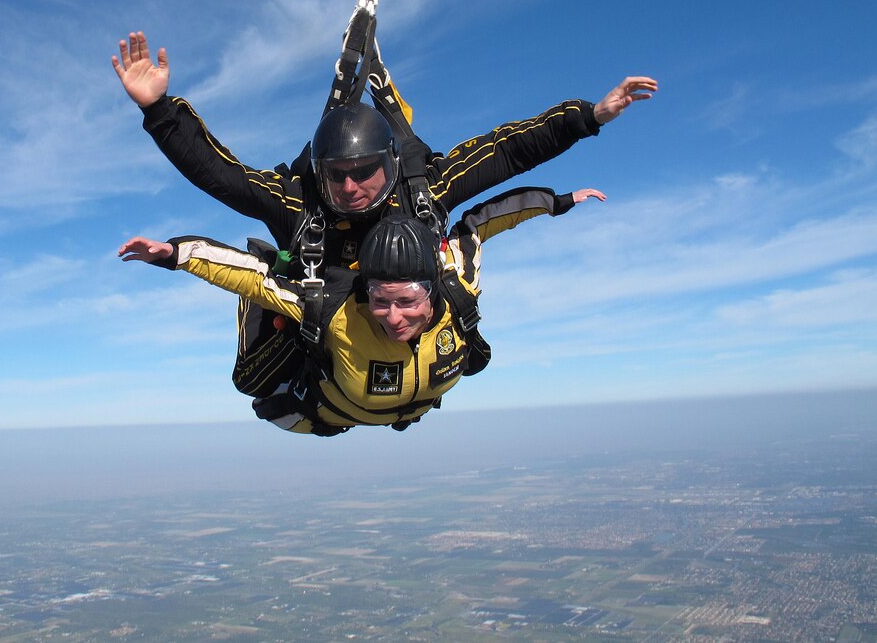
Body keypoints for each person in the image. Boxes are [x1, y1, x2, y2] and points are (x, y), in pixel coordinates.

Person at [112, 30, 658, 395]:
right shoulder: (301, 205)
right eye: (336, 175)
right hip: (323, 328)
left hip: (402, 325)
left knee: (466, 340)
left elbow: (508, 150)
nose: (349, 187)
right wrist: (158, 110)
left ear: (390, 164)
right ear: (319, 172)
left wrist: (591, 116)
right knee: (255, 382)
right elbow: (220, 175)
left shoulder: (423, 187)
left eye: (364, 171)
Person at [119, 186, 606, 436]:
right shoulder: (334, 309)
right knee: (260, 372)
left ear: (432, 290)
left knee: (473, 356)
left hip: (403, 407)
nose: (393, 317)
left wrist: (559, 202)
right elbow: (245, 274)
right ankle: (282, 316)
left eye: (407, 302)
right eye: (380, 302)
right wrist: (175, 254)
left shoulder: (457, 280)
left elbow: (483, 221)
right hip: (322, 415)